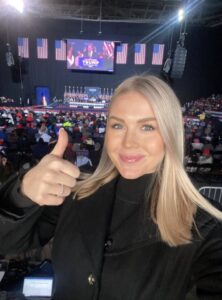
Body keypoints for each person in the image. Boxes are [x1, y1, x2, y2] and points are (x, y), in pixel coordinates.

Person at [0, 75, 222, 300]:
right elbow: (7, 242)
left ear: (170, 134)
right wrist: (22, 193)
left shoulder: (207, 227)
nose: (128, 143)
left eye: (147, 127)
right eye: (118, 125)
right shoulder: (74, 194)